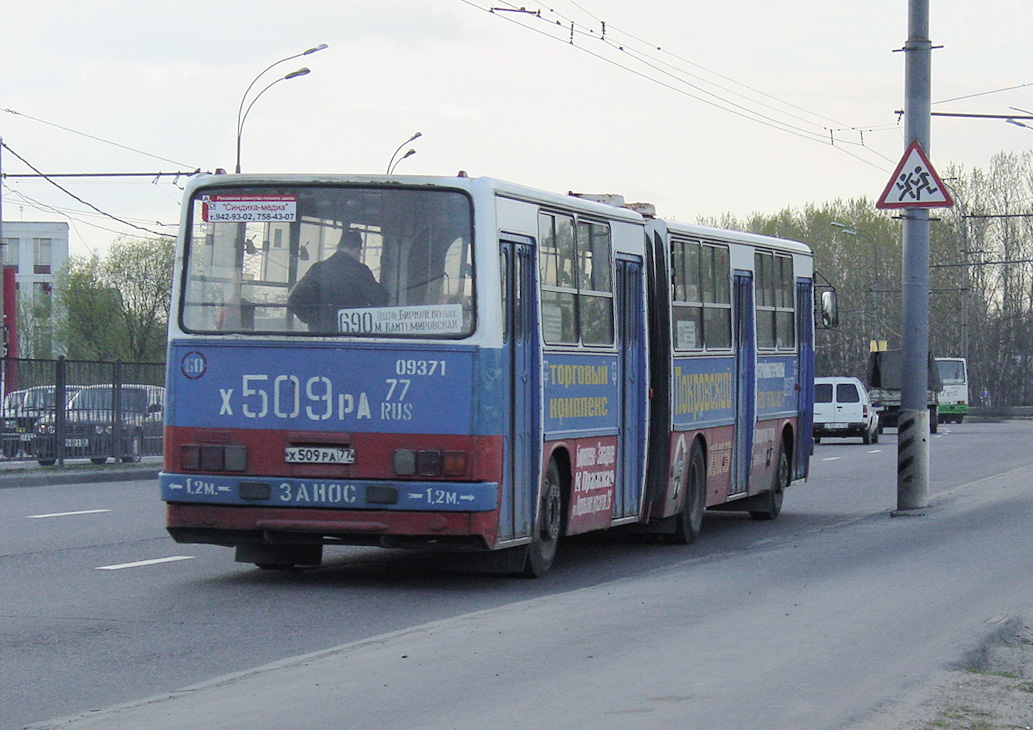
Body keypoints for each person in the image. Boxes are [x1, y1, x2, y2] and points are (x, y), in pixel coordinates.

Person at [287, 228, 388, 331]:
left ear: (339, 247)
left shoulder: (317, 269)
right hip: (349, 334)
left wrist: (314, 319)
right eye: (359, 252)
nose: (359, 255)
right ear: (356, 249)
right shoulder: (359, 271)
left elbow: (294, 299)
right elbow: (379, 299)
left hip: (320, 334)